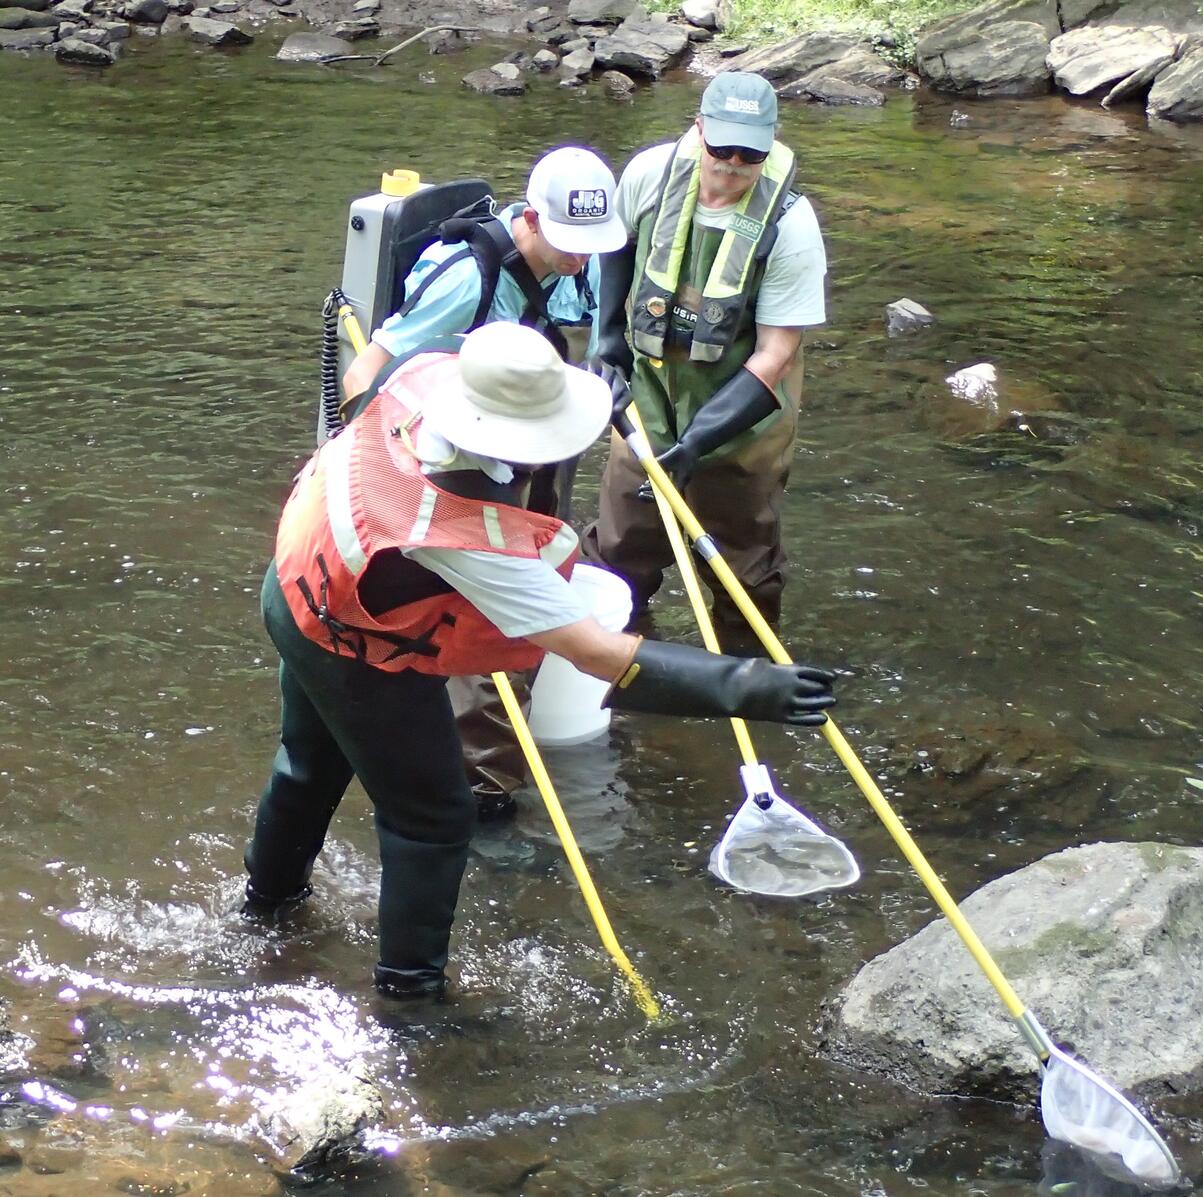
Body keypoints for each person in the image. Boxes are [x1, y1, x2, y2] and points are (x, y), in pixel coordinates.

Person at [243, 323, 836, 1000]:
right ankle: (411, 999)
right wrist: (754, 687)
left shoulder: (420, 376)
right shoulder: (461, 535)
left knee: (309, 764)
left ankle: (266, 910)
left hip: (295, 586)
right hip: (352, 639)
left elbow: (366, 388)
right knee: (434, 816)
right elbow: (597, 653)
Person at [341, 146, 629, 822]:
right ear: (531, 217)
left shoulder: (570, 270)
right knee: (487, 622)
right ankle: (484, 791)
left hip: (524, 454)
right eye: (570, 244)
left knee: (539, 591)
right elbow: (367, 375)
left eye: (593, 247)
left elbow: (583, 334)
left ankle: (494, 759)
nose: (583, 259)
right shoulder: (465, 280)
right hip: (453, 471)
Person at [581, 72, 828, 652]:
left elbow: (776, 353)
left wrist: (696, 446)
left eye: (751, 153)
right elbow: (615, 249)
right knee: (619, 552)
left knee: (741, 564)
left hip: (744, 420)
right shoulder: (649, 175)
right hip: (650, 401)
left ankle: (745, 676)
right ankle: (620, 674)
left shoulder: (792, 224)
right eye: (723, 148)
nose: (734, 164)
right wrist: (608, 343)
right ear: (699, 130)